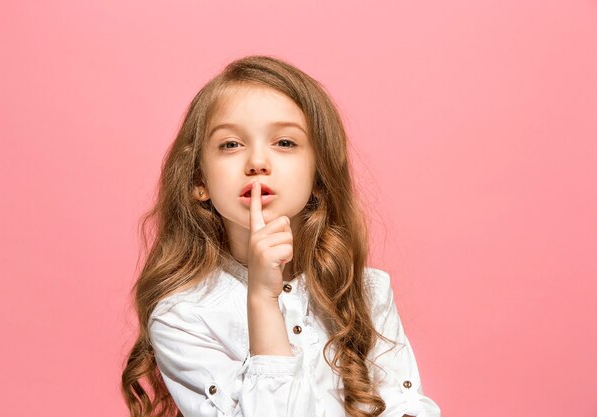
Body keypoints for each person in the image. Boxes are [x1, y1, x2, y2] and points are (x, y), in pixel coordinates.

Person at [121, 55, 441, 417]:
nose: (257, 161)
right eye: (230, 145)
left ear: (319, 178)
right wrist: (261, 299)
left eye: (285, 143)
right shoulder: (182, 317)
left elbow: (406, 407)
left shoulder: (368, 292)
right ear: (199, 181)